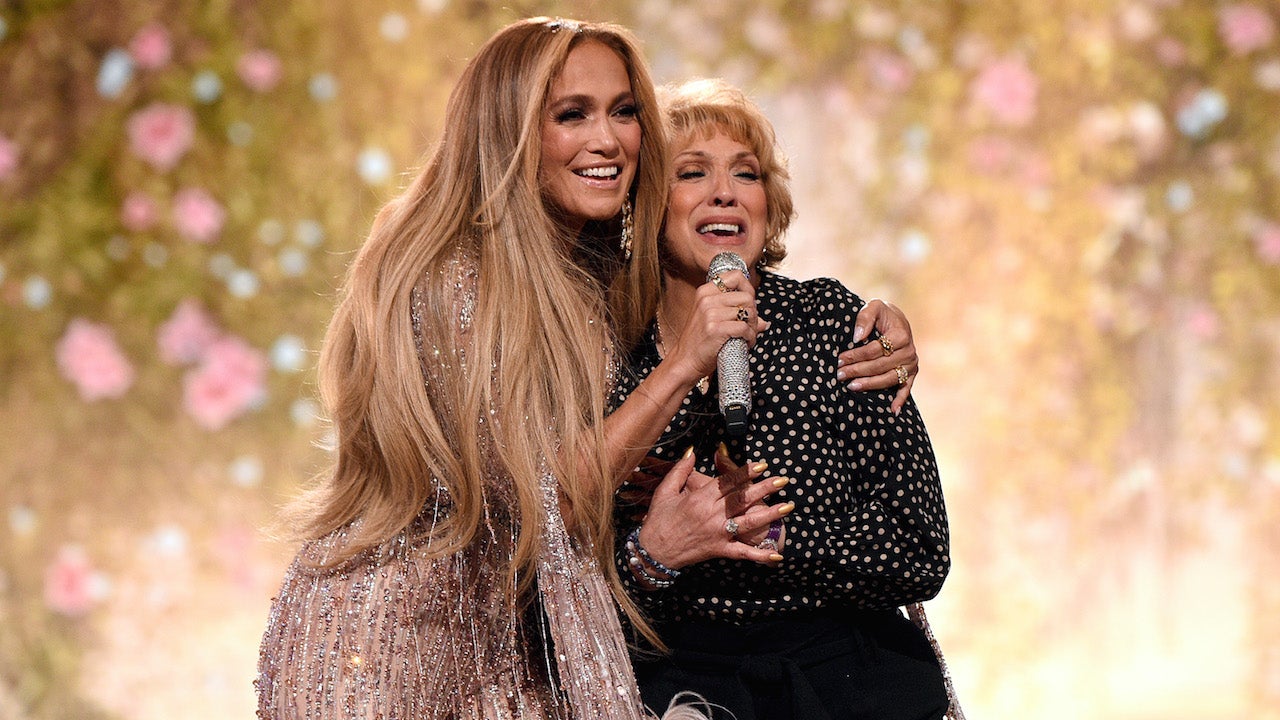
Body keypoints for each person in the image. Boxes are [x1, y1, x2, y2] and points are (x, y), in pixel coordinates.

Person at [256, 16, 921, 720]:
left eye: (625, 112)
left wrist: (883, 324)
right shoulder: (447, 277)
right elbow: (543, 503)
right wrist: (682, 370)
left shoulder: (600, 277)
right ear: (508, 130)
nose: (607, 140)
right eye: (572, 115)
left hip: (531, 646)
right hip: (395, 650)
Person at [612, 78, 955, 720]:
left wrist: (771, 534)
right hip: (677, 691)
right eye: (693, 172)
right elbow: (556, 588)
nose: (724, 191)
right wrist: (655, 557)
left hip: (844, 681)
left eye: (747, 174)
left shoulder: (833, 323)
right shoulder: (605, 352)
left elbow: (919, 546)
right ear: (648, 201)